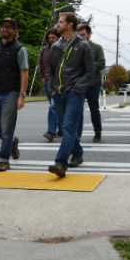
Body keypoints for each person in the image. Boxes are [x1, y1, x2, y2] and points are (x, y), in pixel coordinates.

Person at [46, 12, 95, 177]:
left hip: (75, 93)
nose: (57, 24)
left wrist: (77, 88)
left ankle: (60, 163)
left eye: (60, 22)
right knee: (69, 128)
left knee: (67, 127)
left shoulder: (83, 45)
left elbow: (90, 72)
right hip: (58, 93)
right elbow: (50, 70)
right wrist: (53, 88)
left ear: (69, 25)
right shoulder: (55, 47)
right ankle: (78, 153)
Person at [0, 17, 28, 172]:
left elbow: (24, 73)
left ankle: (3, 160)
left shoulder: (19, 49)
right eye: (3, 26)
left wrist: (22, 95)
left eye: (9, 27)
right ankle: (12, 142)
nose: (5, 29)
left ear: (14, 31)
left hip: (11, 93)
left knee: (7, 128)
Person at [77, 24, 105, 142]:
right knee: (77, 110)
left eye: (83, 34)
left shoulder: (97, 48)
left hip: (93, 83)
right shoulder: (76, 47)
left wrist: (89, 65)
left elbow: (102, 64)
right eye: (79, 35)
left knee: (94, 109)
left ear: (89, 34)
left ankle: (97, 132)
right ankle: (77, 135)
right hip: (79, 83)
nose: (81, 37)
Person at [40, 28, 63, 142]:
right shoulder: (44, 50)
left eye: (53, 37)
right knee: (56, 107)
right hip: (47, 83)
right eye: (49, 38)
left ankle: (51, 132)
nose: (51, 40)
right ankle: (62, 129)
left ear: (58, 37)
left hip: (59, 83)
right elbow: (41, 64)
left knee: (53, 106)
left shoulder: (62, 49)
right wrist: (43, 77)